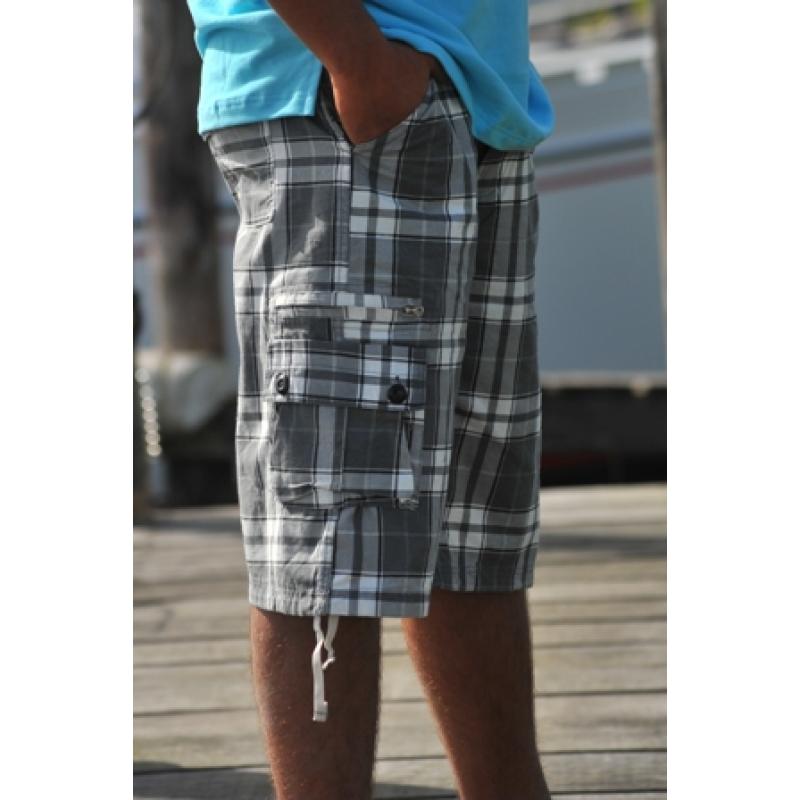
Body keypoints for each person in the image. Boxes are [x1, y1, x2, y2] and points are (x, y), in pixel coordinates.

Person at [186, 2, 555, 798]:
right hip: (340, 82)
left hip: (472, 87)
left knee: (473, 536)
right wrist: (358, 60)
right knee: (325, 540)